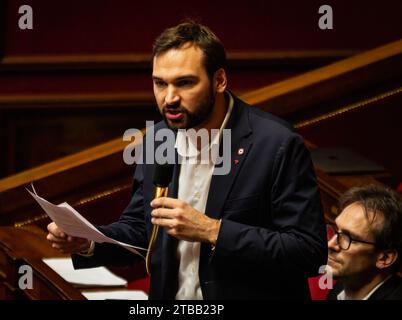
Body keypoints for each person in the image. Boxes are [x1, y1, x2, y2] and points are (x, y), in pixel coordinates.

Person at [46, 21, 327, 299]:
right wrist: (88, 241)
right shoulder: (158, 139)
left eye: (184, 83)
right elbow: (143, 231)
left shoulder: (276, 144)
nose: (169, 98)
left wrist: (212, 231)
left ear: (219, 80)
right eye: (160, 83)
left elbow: (308, 251)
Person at [327, 185, 402, 300]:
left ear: (385, 258)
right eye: (337, 231)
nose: (330, 244)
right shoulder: (344, 285)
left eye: (348, 237)